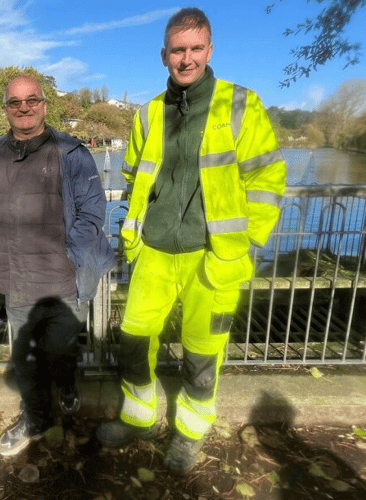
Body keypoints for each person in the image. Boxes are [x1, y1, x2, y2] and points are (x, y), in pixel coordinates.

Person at [95, 8, 286, 475]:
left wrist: (247, 238)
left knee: (203, 354)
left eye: (195, 48)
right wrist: (133, 231)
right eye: (178, 50)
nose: (186, 59)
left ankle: (189, 433)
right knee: (134, 340)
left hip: (213, 256)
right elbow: (134, 174)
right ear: (164, 55)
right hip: (154, 251)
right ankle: (139, 417)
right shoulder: (147, 114)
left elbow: (268, 175)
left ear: (210, 50)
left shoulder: (240, 104)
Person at [0, 74, 116, 457]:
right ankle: (35, 417)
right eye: (14, 102)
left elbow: (92, 211)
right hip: (15, 275)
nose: (23, 107)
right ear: (6, 108)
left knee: (61, 351)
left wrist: (70, 253)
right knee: (25, 360)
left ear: (44, 104)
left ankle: (68, 385)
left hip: (63, 278)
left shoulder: (71, 152)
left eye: (31, 100)